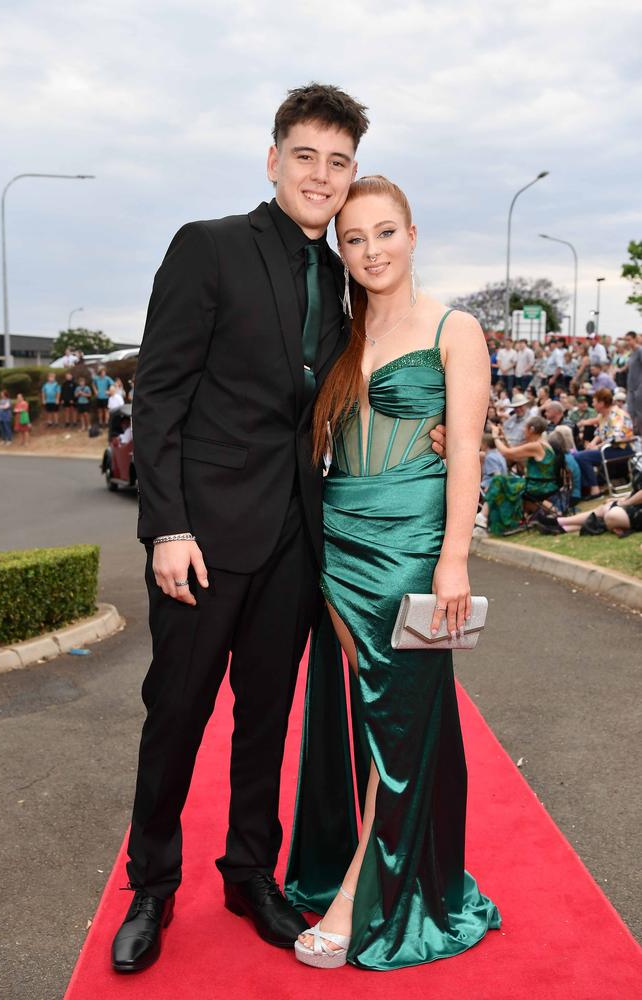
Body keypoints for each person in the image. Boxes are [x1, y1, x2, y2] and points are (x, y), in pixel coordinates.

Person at [111, 84, 449, 975]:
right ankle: (152, 886)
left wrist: (437, 427)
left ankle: (248, 872)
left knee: (267, 720)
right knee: (176, 713)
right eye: (307, 156)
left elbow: (376, 380)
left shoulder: (347, 277)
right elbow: (161, 393)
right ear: (274, 159)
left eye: (339, 163)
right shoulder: (210, 247)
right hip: (205, 542)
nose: (322, 175)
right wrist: (166, 528)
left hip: (302, 540)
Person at [287, 175, 499, 971]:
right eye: (354, 239)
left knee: (402, 729)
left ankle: (353, 899)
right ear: (340, 250)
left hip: (414, 547)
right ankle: (404, 870)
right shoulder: (336, 335)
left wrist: (454, 561)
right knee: (376, 720)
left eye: (384, 233)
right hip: (338, 539)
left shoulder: (456, 329)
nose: (371, 251)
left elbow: (468, 450)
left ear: (413, 234)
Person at [477, 415, 559, 534]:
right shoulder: (542, 444)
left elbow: (506, 453)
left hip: (537, 486)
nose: (523, 431)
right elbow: (515, 455)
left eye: (524, 428)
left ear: (531, 429)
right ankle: (485, 518)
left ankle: (484, 517)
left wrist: (495, 436)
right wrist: (503, 438)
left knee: (498, 480)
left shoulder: (536, 446)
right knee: (502, 480)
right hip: (543, 484)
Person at [572, 387, 634, 497]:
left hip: (621, 449)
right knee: (577, 455)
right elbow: (600, 433)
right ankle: (588, 488)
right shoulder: (603, 415)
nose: (592, 404)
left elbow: (615, 438)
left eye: (594, 402)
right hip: (610, 448)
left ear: (601, 403)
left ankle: (594, 489)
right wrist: (592, 443)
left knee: (582, 457)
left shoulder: (616, 415)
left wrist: (597, 446)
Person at [626, 331, 642, 434]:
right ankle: (634, 433)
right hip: (631, 387)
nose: (627, 342)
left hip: (639, 386)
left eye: (629, 340)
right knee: (631, 411)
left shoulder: (640, 351)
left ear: (635, 339)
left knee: (639, 412)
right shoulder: (631, 353)